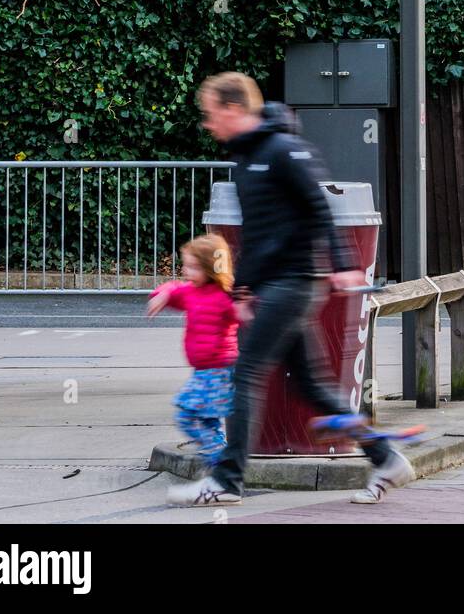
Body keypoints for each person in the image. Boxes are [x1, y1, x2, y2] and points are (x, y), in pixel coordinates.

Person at [167, 71, 414, 507]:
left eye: (211, 115)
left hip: (293, 283)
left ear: (233, 109)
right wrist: (243, 291)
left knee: (244, 376)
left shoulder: (283, 150)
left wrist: (344, 266)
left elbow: (320, 206)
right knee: (311, 386)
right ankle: (385, 457)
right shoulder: (246, 160)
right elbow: (259, 236)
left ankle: (226, 481)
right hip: (274, 286)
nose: (209, 125)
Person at [148, 234, 243, 474]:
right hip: (203, 369)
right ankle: (218, 448)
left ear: (210, 268)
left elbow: (244, 316)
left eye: (193, 267)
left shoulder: (224, 298)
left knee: (185, 415)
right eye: (186, 266)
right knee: (208, 418)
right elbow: (174, 289)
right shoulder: (191, 292)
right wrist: (164, 293)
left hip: (218, 369)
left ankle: (216, 453)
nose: (187, 272)